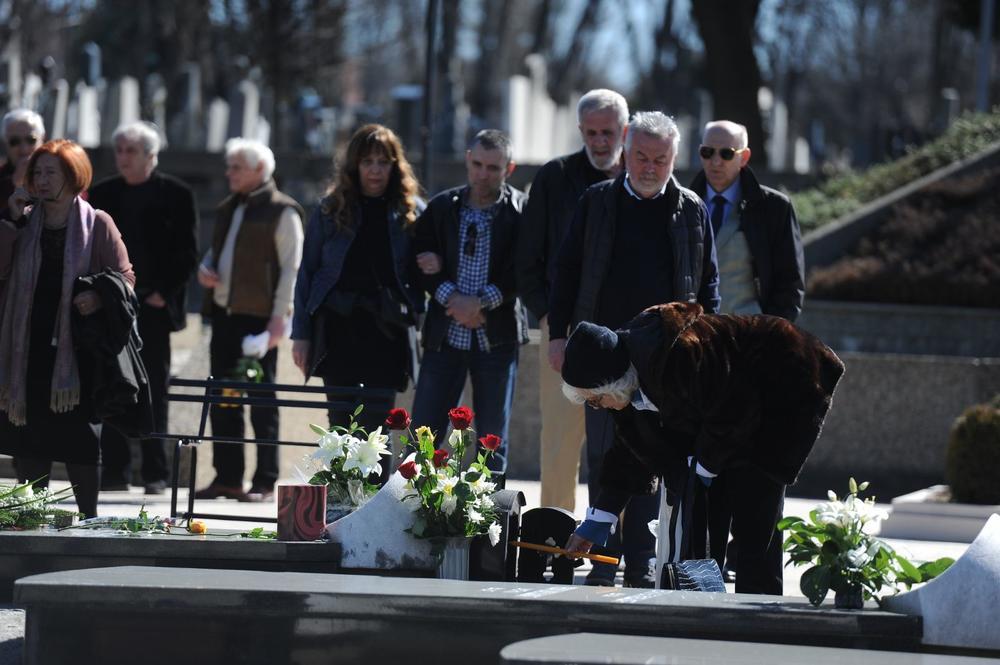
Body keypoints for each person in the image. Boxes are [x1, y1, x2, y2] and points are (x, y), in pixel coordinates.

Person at [560, 302, 845, 595]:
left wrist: (703, 468)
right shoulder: (626, 378)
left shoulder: (681, 353)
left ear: (612, 384)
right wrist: (599, 519)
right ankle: (706, 600)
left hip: (784, 379)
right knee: (704, 500)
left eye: (594, 400)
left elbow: (734, 411)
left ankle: (759, 607)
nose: (596, 408)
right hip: (729, 409)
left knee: (754, 506)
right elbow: (630, 452)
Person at [548, 111, 720, 587]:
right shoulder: (597, 202)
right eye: (640, 156)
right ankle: (603, 558)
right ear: (626, 150)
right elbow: (565, 271)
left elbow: (709, 285)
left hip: (665, 361)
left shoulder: (691, 209)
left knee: (650, 457)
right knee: (606, 457)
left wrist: (704, 354)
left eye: (660, 159)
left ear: (674, 158)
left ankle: (641, 561)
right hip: (604, 355)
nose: (649, 167)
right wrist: (559, 336)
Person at [689, 119, 805, 579]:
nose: (715, 162)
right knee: (701, 478)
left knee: (758, 477)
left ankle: (758, 584)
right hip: (698, 358)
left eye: (725, 153)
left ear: (745, 157)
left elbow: (790, 289)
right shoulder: (683, 204)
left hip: (755, 357)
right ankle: (701, 580)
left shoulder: (773, 208)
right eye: (706, 152)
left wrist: (770, 343)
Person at [0, 139, 135, 518]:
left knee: (79, 439)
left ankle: (89, 517)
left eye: (50, 173)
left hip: (78, 351)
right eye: (37, 173)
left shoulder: (98, 223)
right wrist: (11, 220)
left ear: (74, 176)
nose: (41, 181)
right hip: (27, 347)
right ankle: (31, 513)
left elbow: (125, 277)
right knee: (30, 438)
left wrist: (96, 298)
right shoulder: (22, 223)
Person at [516, 88, 627, 513]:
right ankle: (557, 528)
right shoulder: (554, 177)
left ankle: (612, 539)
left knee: (622, 437)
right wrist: (547, 316)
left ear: (625, 130)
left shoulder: (639, 175)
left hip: (624, 330)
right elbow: (528, 255)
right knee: (561, 436)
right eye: (592, 132)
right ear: (580, 130)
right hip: (563, 326)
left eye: (609, 132)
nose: (601, 141)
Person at [291, 124, 423, 444]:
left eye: (383, 162)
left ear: (395, 165)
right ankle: (341, 495)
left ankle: (374, 496)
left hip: (386, 330)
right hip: (338, 328)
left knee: (377, 429)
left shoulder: (411, 212)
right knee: (339, 425)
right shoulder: (330, 209)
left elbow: (423, 277)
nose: (375, 170)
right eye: (367, 162)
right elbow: (307, 273)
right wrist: (302, 335)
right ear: (355, 165)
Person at [89, 121, 199, 495]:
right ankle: (115, 471)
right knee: (110, 383)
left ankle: (156, 472)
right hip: (111, 306)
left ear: (151, 155)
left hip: (153, 307)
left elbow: (186, 251)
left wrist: (163, 293)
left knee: (154, 386)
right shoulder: (103, 193)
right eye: (119, 149)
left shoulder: (177, 194)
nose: (123, 157)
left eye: (131, 150)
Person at [410, 129, 528, 472]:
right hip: (444, 337)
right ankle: (413, 512)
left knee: (492, 442)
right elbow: (418, 260)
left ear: (509, 167)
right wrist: (453, 299)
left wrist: (480, 303)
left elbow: (526, 269)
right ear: (467, 159)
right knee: (423, 436)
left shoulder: (522, 211)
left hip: (497, 337)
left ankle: (487, 521)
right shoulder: (443, 207)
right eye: (477, 164)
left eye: (493, 167)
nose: (482, 174)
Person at [195, 138, 304, 503]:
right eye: (229, 166)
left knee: (261, 401)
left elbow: (292, 270)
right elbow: (219, 250)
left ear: (260, 170)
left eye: (236, 167)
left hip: (259, 321)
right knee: (224, 397)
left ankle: (264, 479)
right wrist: (206, 268)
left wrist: (279, 320)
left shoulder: (282, 211)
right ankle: (227, 476)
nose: (229, 173)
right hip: (225, 315)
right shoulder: (230, 206)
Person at [1, 109, 46, 206]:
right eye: (14, 141)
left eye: (31, 140)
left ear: (42, 138)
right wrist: (13, 185)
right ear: (5, 143)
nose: (24, 149)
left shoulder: (60, 173)